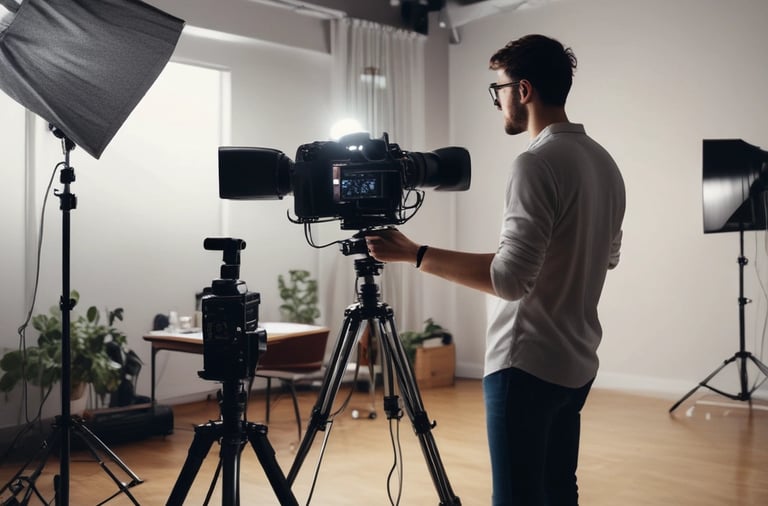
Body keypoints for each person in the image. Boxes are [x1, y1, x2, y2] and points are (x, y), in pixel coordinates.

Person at [365, 34, 626, 505]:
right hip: (578, 360)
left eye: (498, 89)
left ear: (522, 90)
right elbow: (607, 256)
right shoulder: (603, 163)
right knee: (559, 491)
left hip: (525, 365)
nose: (498, 101)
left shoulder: (534, 163)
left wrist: (414, 253)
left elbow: (509, 280)